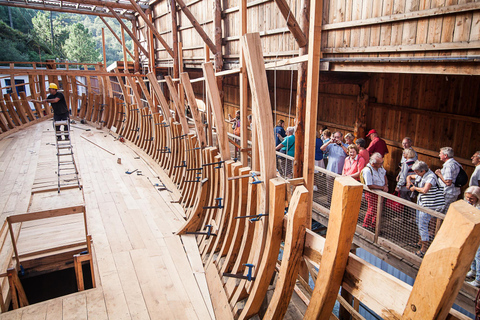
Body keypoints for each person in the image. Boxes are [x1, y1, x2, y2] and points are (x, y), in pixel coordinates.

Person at [406, 161, 445, 257]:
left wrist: (414, 188)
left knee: (423, 225)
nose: (416, 174)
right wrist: (408, 182)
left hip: (430, 205)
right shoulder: (421, 174)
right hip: (422, 203)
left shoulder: (430, 177)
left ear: (423, 171)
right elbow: (409, 177)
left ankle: (424, 249)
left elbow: (424, 190)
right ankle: (420, 243)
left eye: (417, 172)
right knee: (419, 222)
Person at [361, 153, 388, 229]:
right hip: (372, 193)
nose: (382, 164)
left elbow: (384, 175)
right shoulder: (367, 170)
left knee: (379, 210)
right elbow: (369, 185)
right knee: (372, 210)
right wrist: (382, 187)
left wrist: (386, 185)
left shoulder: (380, 168)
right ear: (373, 163)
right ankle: (366, 225)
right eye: (380, 163)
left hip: (381, 192)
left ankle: (374, 226)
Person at [435, 147, 462, 212]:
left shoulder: (449, 166)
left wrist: (439, 174)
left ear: (445, 155)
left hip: (447, 193)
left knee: (438, 213)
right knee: (446, 212)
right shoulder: (456, 164)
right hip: (453, 192)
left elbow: (448, 182)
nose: (439, 155)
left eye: (440, 153)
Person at [464, 186, 480, 287]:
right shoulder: (470, 204)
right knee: (473, 252)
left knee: (479, 255)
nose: (468, 200)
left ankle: (478, 279)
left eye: (471, 198)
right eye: (467, 197)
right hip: (473, 232)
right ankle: (473, 270)